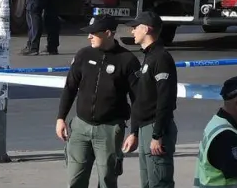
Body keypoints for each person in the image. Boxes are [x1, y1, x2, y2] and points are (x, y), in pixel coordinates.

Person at [57, 13, 141, 188]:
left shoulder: (127, 60)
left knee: (107, 180)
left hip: (109, 130)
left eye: (93, 33)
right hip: (80, 127)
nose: (89, 37)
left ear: (108, 33)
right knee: (75, 180)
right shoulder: (83, 55)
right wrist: (60, 118)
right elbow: (70, 87)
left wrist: (134, 132)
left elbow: (137, 99)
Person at [130, 11, 178, 188]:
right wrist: (134, 131)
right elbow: (143, 98)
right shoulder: (149, 57)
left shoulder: (161, 58)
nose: (132, 31)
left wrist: (157, 134)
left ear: (147, 29)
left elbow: (165, 99)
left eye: (135, 27)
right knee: (148, 183)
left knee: (159, 183)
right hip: (145, 129)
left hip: (156, 129)